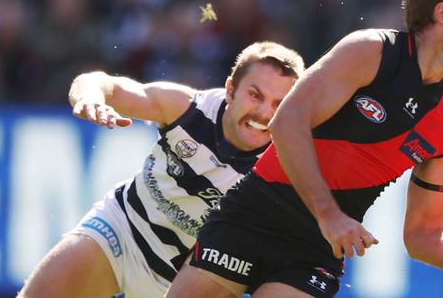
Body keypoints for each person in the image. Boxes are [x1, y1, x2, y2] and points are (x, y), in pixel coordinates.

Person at [165, 0, 443, 298]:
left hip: (315, 251)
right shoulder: (370, 51)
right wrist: (329, 215)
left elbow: (423, 235)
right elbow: (287, 122)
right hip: (255, 214)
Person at [17, 41, 305, 298]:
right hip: (123, 229)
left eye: (279, 104)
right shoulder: (188, 108)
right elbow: (102, 83)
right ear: (231, 89)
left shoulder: (284, 163)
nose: (265, 113)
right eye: (255, 95)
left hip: (190, 278)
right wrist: (88, 97)